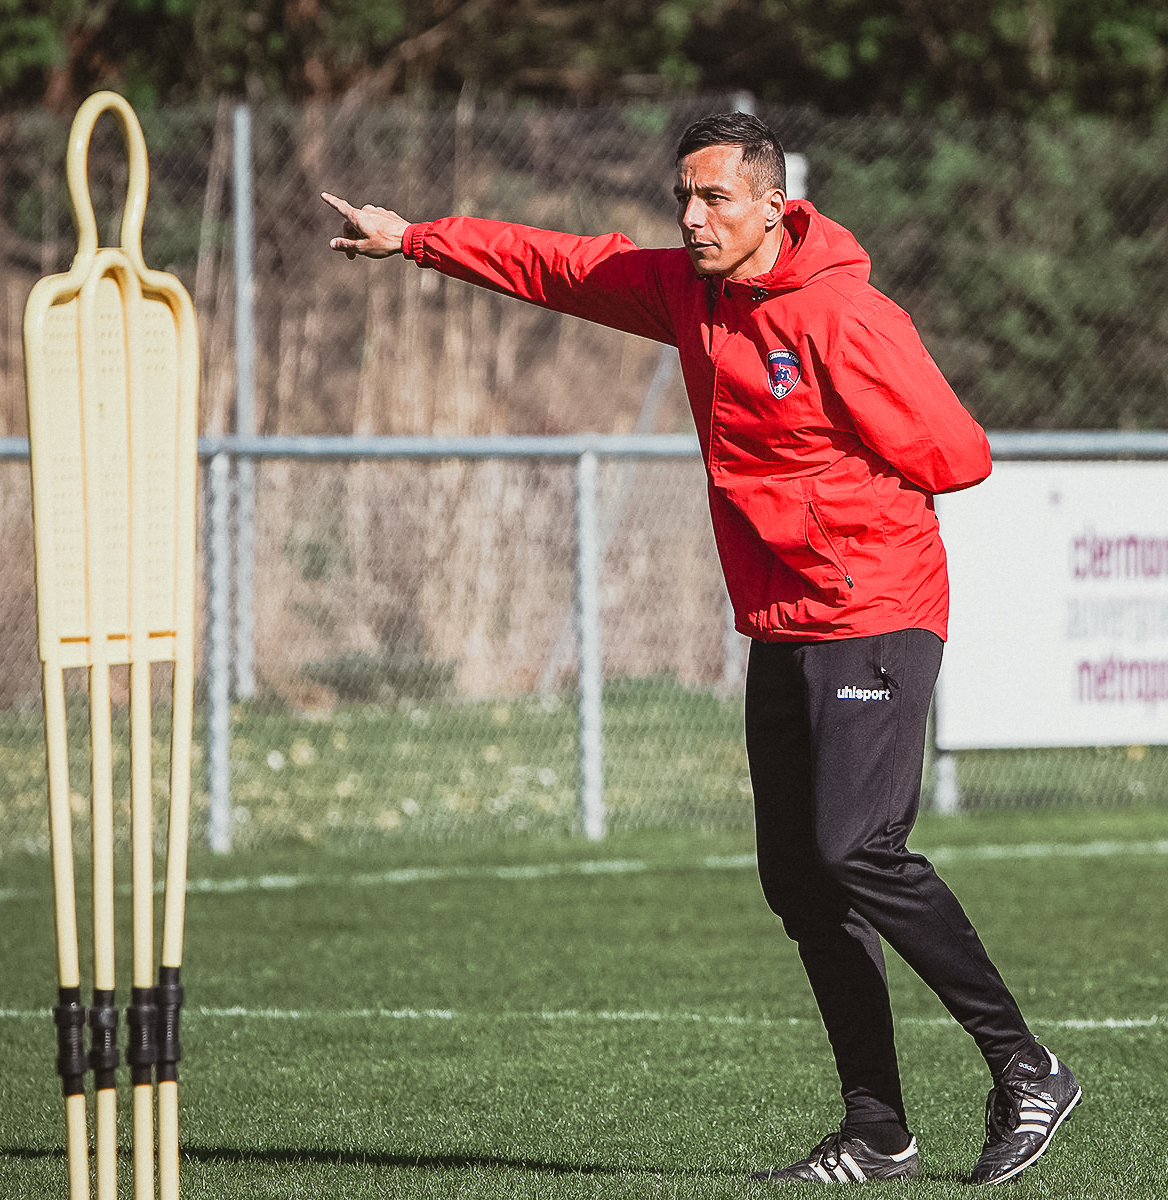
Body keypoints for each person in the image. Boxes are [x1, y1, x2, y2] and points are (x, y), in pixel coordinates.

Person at [322, 110, 1080, 1186]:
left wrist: (827, 488)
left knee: (854, 848)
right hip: (780, 620)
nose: (690, 217)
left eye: (713, 198)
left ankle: (1025, 1067)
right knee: (801, 886)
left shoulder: (843, 316)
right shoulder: (688, 291)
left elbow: (956, 456)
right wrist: (417, 240)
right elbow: (563, 266)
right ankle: (878, 1131)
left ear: (773, 206)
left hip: (873, 606)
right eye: (682, 196)